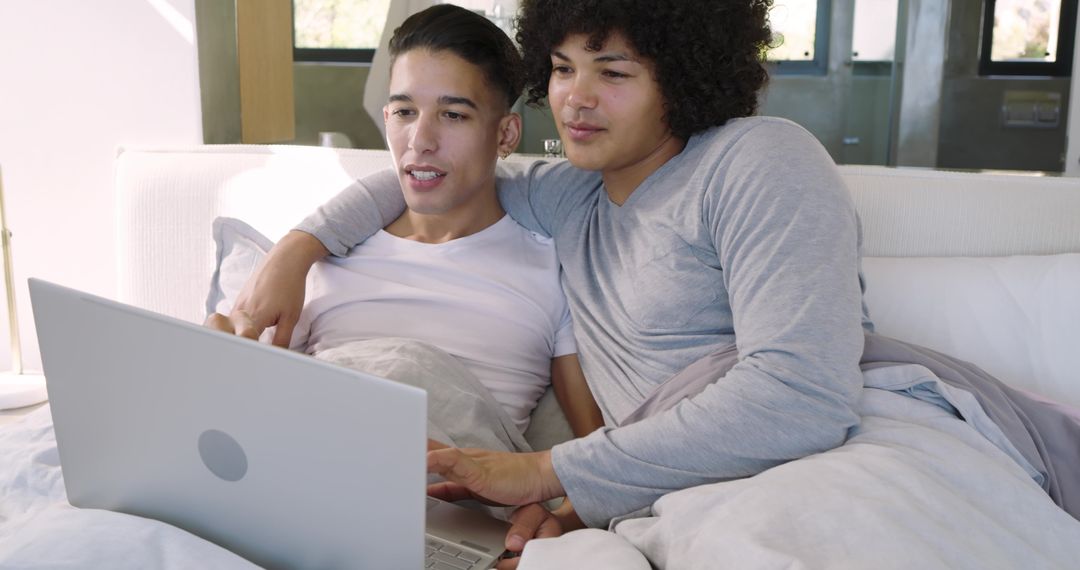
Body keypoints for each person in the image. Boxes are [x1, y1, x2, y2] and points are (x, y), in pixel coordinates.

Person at [212, 0, 1080, 564]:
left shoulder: (759, 158)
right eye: (562, 67)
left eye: (614, 72)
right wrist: (296, 250)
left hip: (838, 440)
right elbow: (435, 169)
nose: (577, 99)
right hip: (680, 476)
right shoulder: (572, 193)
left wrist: (548, 470)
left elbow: (803, 396)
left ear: (685, 76)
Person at [208, 4, 604, 449]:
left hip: (441, 505)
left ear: (506, 135)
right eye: (404, 112)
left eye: (453, 115)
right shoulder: (324, 259)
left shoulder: (552, 267)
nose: (420, 141)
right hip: (302, 461)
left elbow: (593, 448)